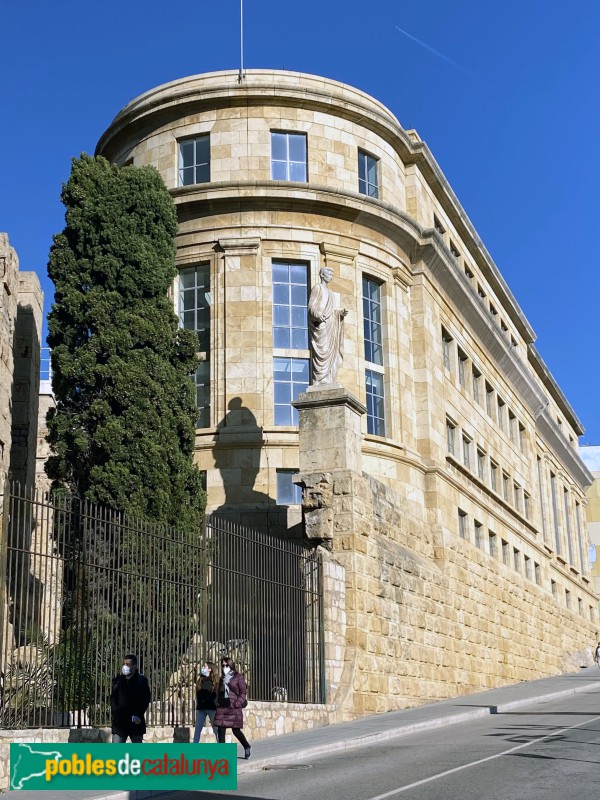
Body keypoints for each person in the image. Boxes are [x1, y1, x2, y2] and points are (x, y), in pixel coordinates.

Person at [308, 267, 348, 385]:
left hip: (330, 325)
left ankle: (328, 378)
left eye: (331, 275)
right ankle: (319, 378)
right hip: (321, 324)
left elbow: (332, 312)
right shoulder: (317, 288)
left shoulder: (331, 294)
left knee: (331, 352)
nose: (331, 277)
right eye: (329, 274)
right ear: (322, 275)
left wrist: (340, 313)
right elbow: (311, 306)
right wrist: (317, 315)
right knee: (323, 350)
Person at [214, 657, 251, 759]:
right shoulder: (221, 678)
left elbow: (243, 692)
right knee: (221, 730)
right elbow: (219, 692)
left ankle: (247, 746)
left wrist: (237, 703)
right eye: (223, 665)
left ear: (231, 665)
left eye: (227, 665)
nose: (225, 667)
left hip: (234, 707)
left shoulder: (238, 677)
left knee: (236, 731)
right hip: (222, 707)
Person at [110, 654, 151, 743]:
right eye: (124, 664)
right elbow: (113, 698)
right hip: (120, 723)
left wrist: (139, 714)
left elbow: (145, 699)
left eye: (128, 664)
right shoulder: (118, 681)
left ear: (134, 667)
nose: (125, 666)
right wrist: (115, 712)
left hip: (135, 721)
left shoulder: (141, 681)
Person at [193, 661, 219, 743]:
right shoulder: (200, 680)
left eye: (204, 666)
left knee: (216, 730)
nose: (202, 668)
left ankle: (221, 746)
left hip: (212, 708)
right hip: (201, 709)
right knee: (197, 729)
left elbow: (216, 696)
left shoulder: (215, 682)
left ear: (210, 669)